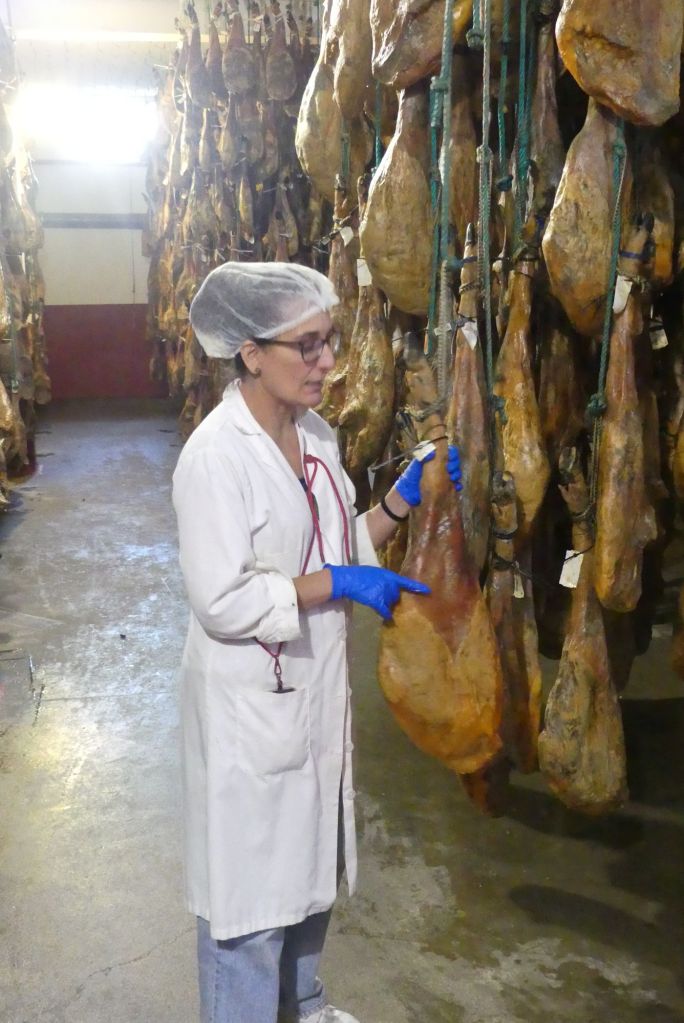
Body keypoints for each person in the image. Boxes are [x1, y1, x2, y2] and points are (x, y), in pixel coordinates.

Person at [172, 262, 462, 1023]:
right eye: (307, 345)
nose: (328, 360)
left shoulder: (316, 435)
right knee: (248, 911)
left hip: (310, 700)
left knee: (307, 877)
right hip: (250, 710)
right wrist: (334, 582)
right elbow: (223, 600)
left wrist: (398, 501)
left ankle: (301, 1006)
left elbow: (337, 546)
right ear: (251, 352)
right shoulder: (215, 457)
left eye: (329, 340)